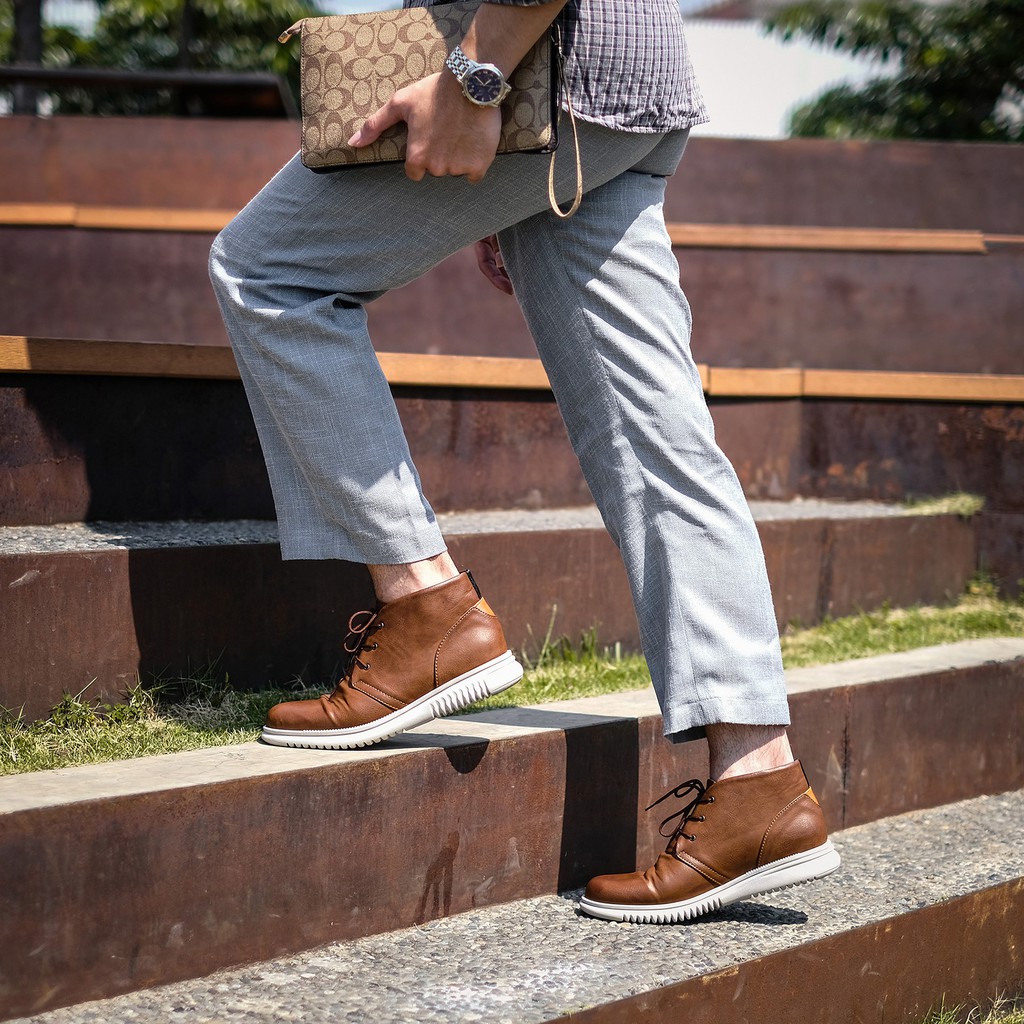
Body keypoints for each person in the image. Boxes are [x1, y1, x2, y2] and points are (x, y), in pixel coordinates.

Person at [209, 0, 840, 924]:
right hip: (623, 84)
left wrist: (475, 79)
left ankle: (425, 604)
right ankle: (759, 781)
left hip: (542, 69)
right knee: (655, 435)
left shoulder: (494, 77)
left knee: (268, 272)